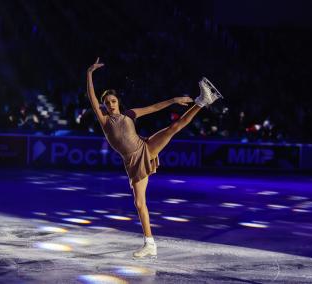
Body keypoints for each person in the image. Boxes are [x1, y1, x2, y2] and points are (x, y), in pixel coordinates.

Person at [87, 58, 222, 259]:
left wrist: (174, 100)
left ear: (118, 102)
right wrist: (89, 73)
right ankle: (149, 243)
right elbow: (91, 97)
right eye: (107, 103)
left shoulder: (129, 114)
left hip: (146, 147)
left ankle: (203, 101)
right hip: (133, 162)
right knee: (140, 204)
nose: (110, 105)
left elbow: (153, 108)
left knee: (173, 128)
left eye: (113, 101)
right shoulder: (104, 120)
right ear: (104, 106)